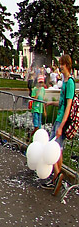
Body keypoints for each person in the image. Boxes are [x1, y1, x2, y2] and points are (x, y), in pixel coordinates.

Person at [50, 55, 74, 195]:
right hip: (59, 118)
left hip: (62, 120)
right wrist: (52, 103)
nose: (60, 67)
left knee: (53, 147)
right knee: (57, 149)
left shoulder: (69, 82)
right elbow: (62, 103)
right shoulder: (64, 82)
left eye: (61, 64)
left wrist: (61, 125)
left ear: (66, 65)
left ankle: (58, 174)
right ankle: (56, 176)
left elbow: (68, 105)